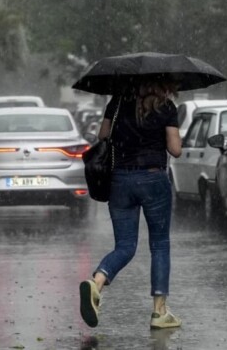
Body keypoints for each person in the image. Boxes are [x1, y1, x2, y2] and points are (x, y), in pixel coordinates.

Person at [79, 80, 183, 330]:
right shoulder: (166, 107)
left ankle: (97, 282)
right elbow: (175, 149)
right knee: (159, 244)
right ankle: (159, 312)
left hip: (121, 180)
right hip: (153, 178)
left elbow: (102, 137)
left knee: (125, 246)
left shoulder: (116, 104)